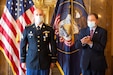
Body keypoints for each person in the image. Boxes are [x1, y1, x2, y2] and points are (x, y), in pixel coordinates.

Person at [20, 8, 57, 75]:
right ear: (34, 16)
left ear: (43, 16)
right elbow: (23, 45)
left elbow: (53, 46)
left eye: (40, 14)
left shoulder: (49, 29)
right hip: (31, 61)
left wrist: (53, 60)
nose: (38, 16)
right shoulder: (28, 29)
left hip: (45, 61)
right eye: (36, 14)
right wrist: (23, 60)